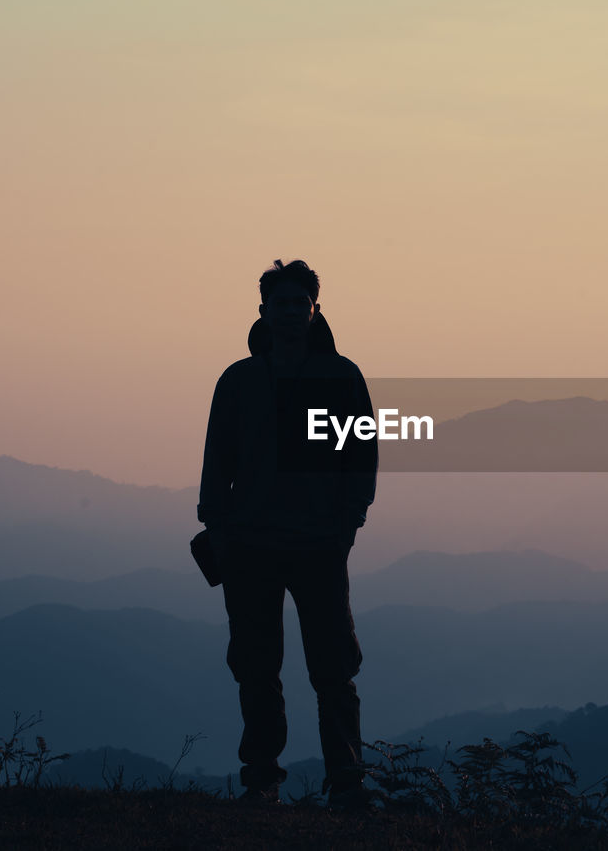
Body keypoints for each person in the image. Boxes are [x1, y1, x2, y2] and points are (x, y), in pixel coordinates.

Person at [198, 259, 377, 807]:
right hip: (251, 545)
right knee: (256, 668)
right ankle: (262, 781)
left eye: (301, 303)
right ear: (263, 312)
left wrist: (348, 523)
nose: (292, 313)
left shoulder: (342, 378)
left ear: (315, 310)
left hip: (318, 546)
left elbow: (361, 456)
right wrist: (216, 525)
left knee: (333, 671)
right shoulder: (238, 381)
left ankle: (345, 784)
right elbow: (216, 460)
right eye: (283, 304)